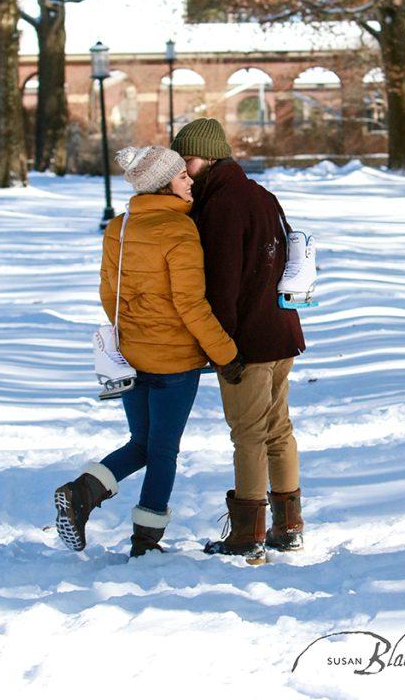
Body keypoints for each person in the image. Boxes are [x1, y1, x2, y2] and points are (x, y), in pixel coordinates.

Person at [54, 145, 243, 558]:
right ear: (163, 185)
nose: (189, 181)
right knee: (162, 452)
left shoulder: (118, 228)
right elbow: (191, 305)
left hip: (131, 356)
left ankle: (82, 492)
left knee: (141, 443)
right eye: (181, 177)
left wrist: (136, 328)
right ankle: (145, 541)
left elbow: (108, 294)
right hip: (174, 361)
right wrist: (226, 354)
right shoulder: (180, 231)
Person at [171, 118, 306, 564]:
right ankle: (288, 528)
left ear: (208, 158)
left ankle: (247, 535)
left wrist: (220, 349)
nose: (183, 170)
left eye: (186, 160)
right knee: (278, 430)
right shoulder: (260, 195)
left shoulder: (223, 205)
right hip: (281, 331)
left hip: (246, 341)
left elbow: (222, 285)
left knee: (248, 434)